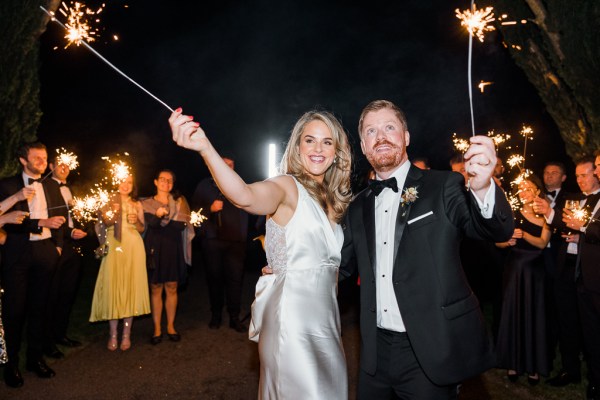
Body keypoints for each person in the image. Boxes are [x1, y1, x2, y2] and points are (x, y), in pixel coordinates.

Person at [169, 107, 352, 399]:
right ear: (297, 146)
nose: (318, 148)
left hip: (327, 325)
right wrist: (205, 148)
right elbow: (244, 196)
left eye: (327, 141)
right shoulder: (287, 186)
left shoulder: (333, 201)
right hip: (292, 325)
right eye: (310, 140)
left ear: (337, 151)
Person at [340, 100, 514, 399]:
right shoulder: (357, 205)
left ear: (406, 137)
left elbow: (493, 229)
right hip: (374, 352)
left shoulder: (444, 185)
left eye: (389, 127)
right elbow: (340, 265)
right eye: (371, 131)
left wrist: (484, 186)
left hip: (429, 348)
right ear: (364, 146)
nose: (380, 136)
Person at [0, 142, 67, 388]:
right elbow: (9, 220)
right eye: (36, 157)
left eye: (44, 157)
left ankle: (35, 359)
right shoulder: (8, 185)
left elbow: (62, 214)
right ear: (23, 160)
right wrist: (40, 223)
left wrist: (57, 246)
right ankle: (11, 365)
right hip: (18, 253)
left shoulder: (51, 184)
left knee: (41, 307)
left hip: (45, 252)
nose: (41, 160)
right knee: (14, 311)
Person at [533, 157, 599, 387]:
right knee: (566, 321)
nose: (580, 180)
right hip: (565, 269)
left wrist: (580, 235)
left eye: (585, 174)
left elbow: (592, 231)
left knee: (590, 327)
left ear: (596, 174)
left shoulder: (599, 200)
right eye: (578, 175)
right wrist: (550, 213)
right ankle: (570, 370)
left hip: (589, 272)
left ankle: (593, 375)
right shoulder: (574, 199)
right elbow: (562, 223)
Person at [495, 174, 551, 385]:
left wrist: (524, 235)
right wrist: (507, 241)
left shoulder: (545, 215)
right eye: (521, 189)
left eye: (528, 188)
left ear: (537, 191)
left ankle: (533, 366)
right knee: (513, 315)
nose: (524, 192)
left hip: (535, 273)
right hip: (514, 271)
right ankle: (512, 363)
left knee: (534, 316)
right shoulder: (511, 214)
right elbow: (497, 244)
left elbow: (543, 243)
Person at [89, 175, 150, 351]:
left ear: (133, 186)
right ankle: (113, 334)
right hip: (113, 246)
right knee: (113, 288)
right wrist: (113, 211)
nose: (126, 184)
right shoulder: (107, 201)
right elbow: (101, 225)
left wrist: (136, 221)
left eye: (130, 182)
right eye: (123, 180)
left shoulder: (137, 204)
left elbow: (142, 228)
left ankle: (126, 335)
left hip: (133, 247)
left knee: (129, 289)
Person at [192, 156, 249, 332]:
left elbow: (252, 206)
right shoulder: (204, 185)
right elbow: (194, 215)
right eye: (223, 164)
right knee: (214, 279)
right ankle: (216, 316)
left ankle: (234, 317)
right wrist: (210, 209)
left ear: (234, 167)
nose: (227, 167)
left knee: (235, 280)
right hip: (213, 241)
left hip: (236, 243)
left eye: (230, 164)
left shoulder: (241, 185)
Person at [141, 169, 194, 344]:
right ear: (155, 182)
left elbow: (181, 226)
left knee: (172, 286)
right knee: (156, 288)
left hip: (173, 247)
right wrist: (158, 217)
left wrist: (165, 217)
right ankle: (157, 328)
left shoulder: (180, 201)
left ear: (172, 184)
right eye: (162, 179)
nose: (166, 183)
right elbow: (151, 224)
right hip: (154, 248)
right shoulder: (146, 203)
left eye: (170, 180)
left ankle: (170, 326)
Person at [44, 155, 88, 360]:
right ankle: (47, 341)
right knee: (52, 293)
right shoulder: (45, 187)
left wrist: (81, 228)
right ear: (51, 166)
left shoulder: (72, 188)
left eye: (67, 164)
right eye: (59, 164)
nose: (64, 167)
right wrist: (69, 232)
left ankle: (61, 334)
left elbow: (78, 215)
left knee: (67, 293)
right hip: (55, 246)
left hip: (73, 247)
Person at [573, 150, 600, 400]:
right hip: (585, 279)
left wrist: (581, 227)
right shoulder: (587, 201)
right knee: (591, 337)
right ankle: (594, 382)